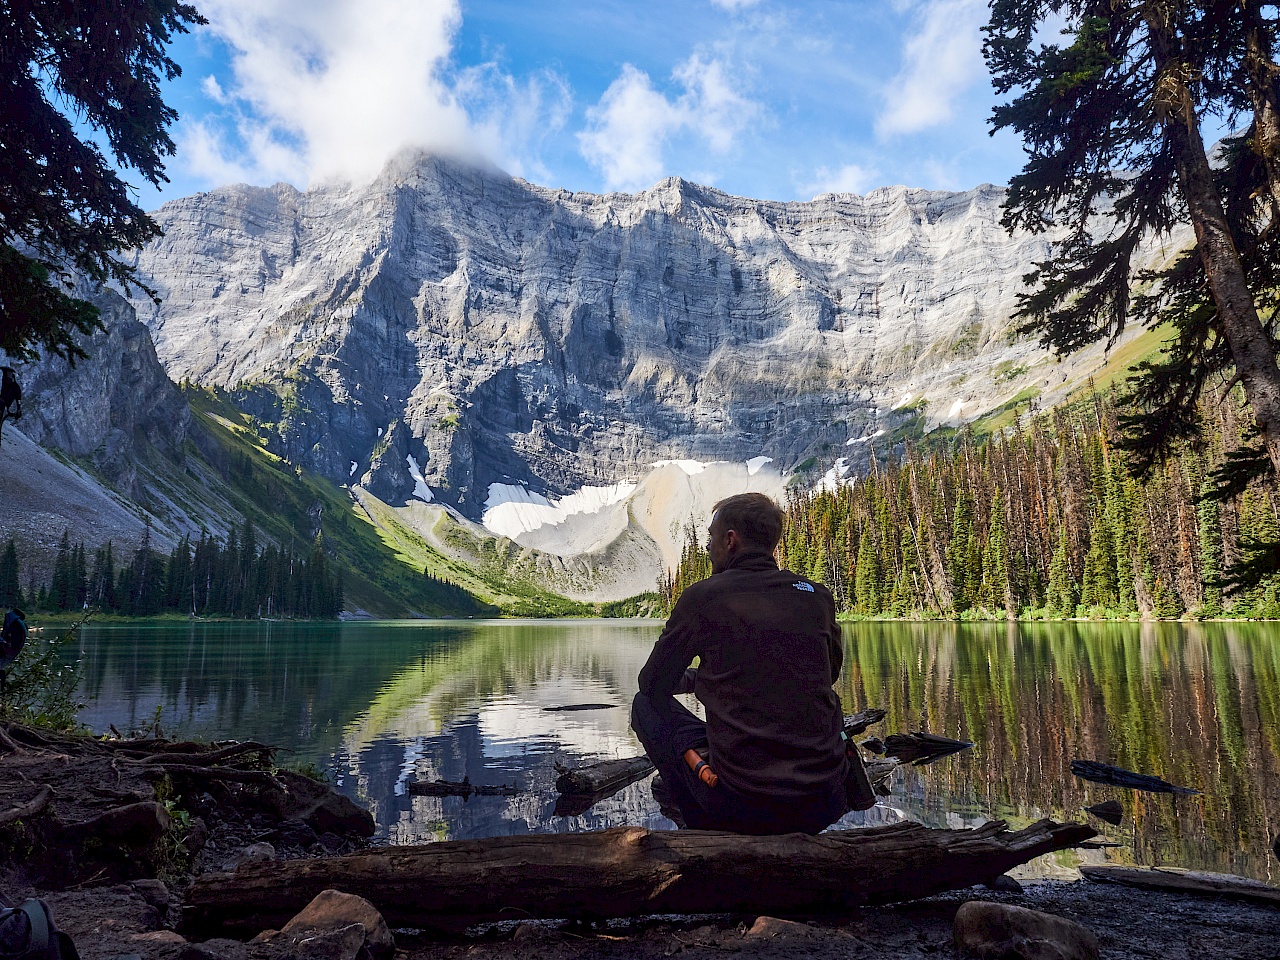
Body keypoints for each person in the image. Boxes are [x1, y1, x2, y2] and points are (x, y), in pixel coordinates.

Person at [631, 492, 849, 834]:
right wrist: (703, 678)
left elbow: (653, 685)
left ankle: (699, 823)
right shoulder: (817, 596)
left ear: (730, 540)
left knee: (645, 706)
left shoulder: (704, 597)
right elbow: (828, 674)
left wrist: (693, 679)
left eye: (711, 538)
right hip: (823, 799)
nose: (707, 548)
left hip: (742, 805)